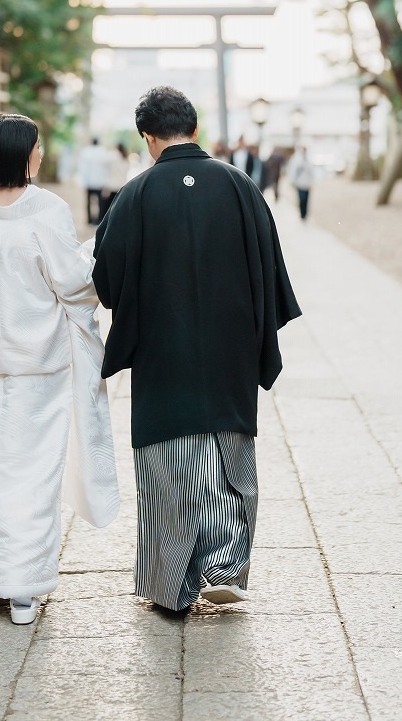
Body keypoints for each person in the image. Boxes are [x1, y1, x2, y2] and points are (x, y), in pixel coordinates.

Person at [92, 86, 301, 614]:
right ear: (195, 128)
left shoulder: (134, 195)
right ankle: (225, 566)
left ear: (147, 136)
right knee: (230, 455)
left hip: (162, 349)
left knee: (168, 465)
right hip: (231, 346)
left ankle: (172, 585)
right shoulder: (239, 185)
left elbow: (107, 279)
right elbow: (269, 265)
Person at [0, 113, 119, 626]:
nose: (42, 153)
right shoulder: (46, 209)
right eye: (37, 146)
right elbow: (73, 282)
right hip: (40, 365)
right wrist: (92, 255)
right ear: (22, 154)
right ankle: (24, 587)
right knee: (34, 473)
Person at [77, 135, 111, 224]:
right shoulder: (103, 151)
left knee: (88, 201)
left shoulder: (86, 151)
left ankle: (89, 219)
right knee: (100, 201)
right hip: (100, 181)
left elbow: (83, 168)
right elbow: (107, 167)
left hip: (89, 181)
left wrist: (83, 182)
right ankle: (99, 219)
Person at [101, 141, 131, 217]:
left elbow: (104, 163)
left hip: (112, 185)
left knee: (107, 206)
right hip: (121, 185)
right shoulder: (126, 159)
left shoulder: (114, 156)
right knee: (116, 207)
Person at [287, 145, 315, 220]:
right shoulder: (296, 159)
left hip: (307, 183)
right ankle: (302, 213)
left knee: (306, 199)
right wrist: (292, 181)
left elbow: (312, 172)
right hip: (299, 183)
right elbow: (293, 171)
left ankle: (305, 213)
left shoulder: (309, 159)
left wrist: (312, 182)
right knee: (301, 199)